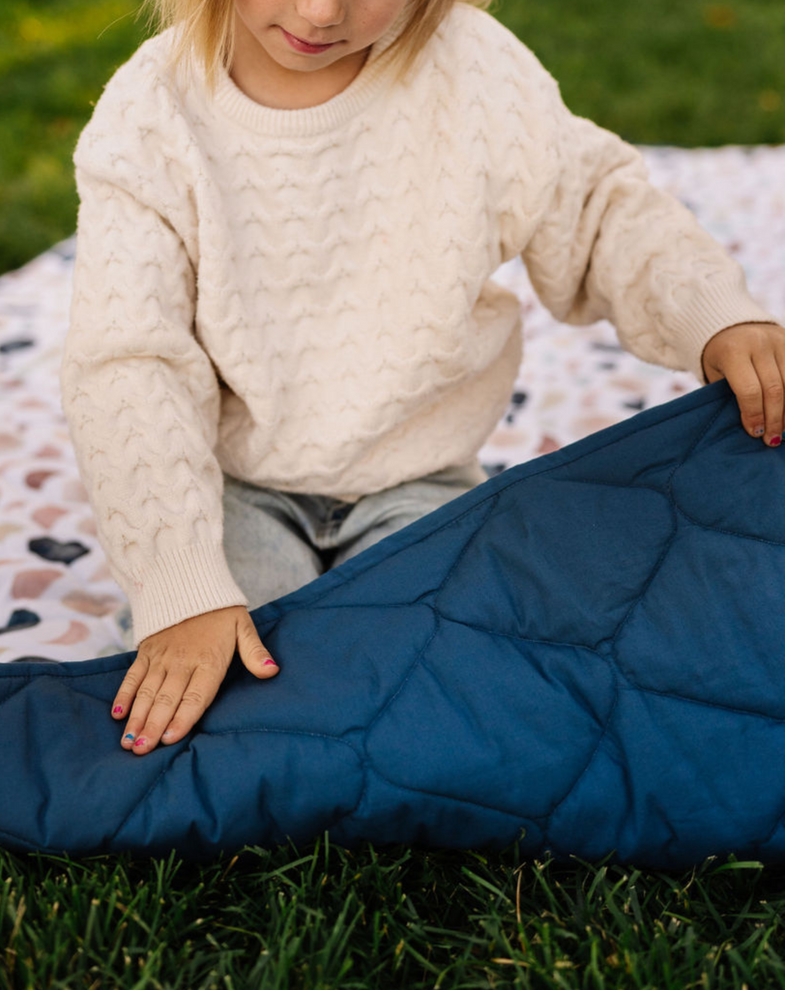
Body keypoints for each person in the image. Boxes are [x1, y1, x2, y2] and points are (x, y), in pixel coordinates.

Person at [60, 0, 784, 756]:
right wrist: (179, 580)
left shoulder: (469, 66)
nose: (321, 11)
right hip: (229, 489)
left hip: (421, 481)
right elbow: (130, 358)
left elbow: (598, 209)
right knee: (241, 683)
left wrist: (713, 313)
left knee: (462, 666)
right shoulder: (152, 113)